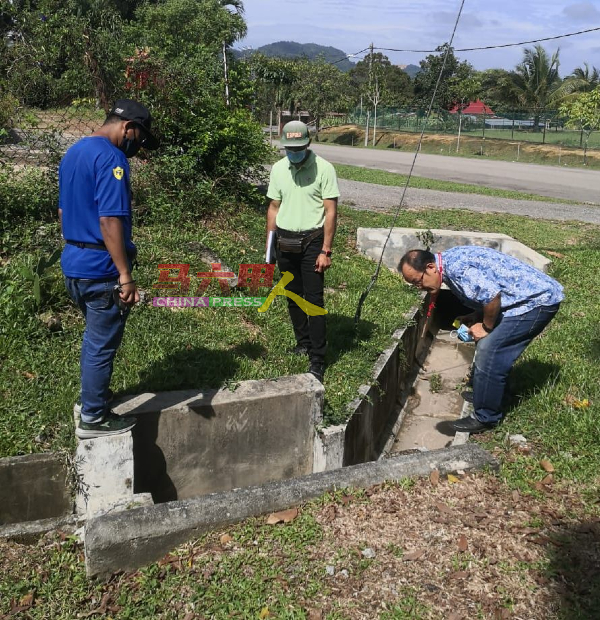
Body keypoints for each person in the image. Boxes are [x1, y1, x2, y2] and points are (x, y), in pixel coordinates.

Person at [59, 99, 159, 439]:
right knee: (101, 345)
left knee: (93, 341)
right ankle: (94, 418)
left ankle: (92, 399)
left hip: (74, 263)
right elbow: (109, 219)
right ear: (128, 128)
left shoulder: (74, 152)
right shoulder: (112, 157)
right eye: (140, 139)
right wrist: (125, 275)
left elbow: (63, 214)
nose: (138, 146)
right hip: (102, 269)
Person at [399, 246, 564, 433]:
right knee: (490, 347)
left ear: (430, 267)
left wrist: (485, 327)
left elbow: (493, 297)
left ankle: (486, 417)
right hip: (521, 298)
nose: (420, 287)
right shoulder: (447, 263)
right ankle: (488, 394)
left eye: (418, 282)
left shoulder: (458, 270)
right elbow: (486, 291)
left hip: (537, 302)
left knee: (489, 350)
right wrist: (476, 315)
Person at [266, 120, 340, 383]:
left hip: (312, 242)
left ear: (308, 143)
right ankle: (303, 342)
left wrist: (326, 250)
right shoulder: (278, 169)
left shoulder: (324, 169)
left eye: (298, 148)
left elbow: (330, 211)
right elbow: (274, 207)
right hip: (285, 242)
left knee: (314, 300)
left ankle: (318, 357)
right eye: (289, 148)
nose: (293, 152)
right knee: (293, 296)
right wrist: (269, 248)